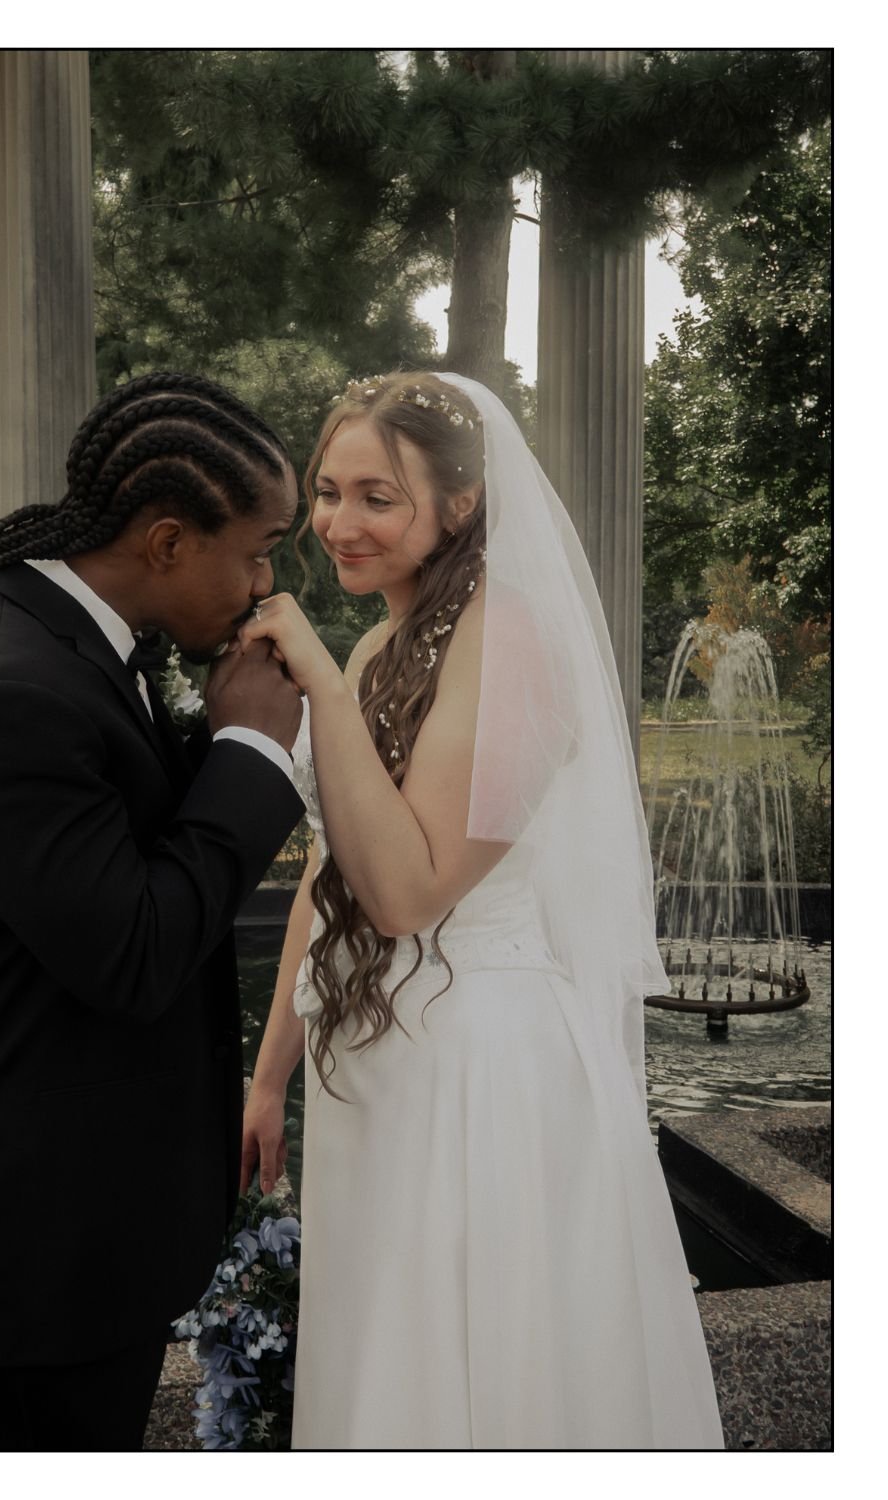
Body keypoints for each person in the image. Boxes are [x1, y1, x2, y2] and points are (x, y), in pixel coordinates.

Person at [240, 371, 725, 1450]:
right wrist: (269, 1075)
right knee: (390, 1356)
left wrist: (315, 680)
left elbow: (409, 894)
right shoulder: (376, 648)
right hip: (374, 1059)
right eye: (328, 492)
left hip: (481, 1065)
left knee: (483, 1361)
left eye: (378, 496)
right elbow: (334, 877)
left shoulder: (511, 644)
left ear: (458, 504)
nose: (338, 524)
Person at [0, 372, 305, 1451]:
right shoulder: (8, 693)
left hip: (88, 1228)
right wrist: (254, 753)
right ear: (168, 542)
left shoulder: (76, 646)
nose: (268, 583)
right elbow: (135, 950)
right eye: (259, 550)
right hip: (36, 1251)